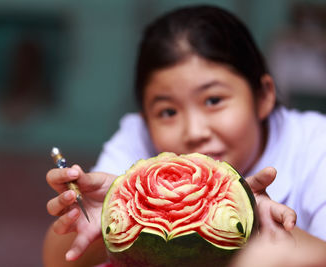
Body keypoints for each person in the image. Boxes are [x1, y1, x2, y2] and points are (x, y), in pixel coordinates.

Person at [44, 4, 326, 266]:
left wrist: (250, 227)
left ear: (263, 96)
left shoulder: (317, 144)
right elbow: (56, 260)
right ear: (145, 118)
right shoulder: (137, 136)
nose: (194, 133)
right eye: (168, 112)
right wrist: (105, 221)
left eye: (214, 100)